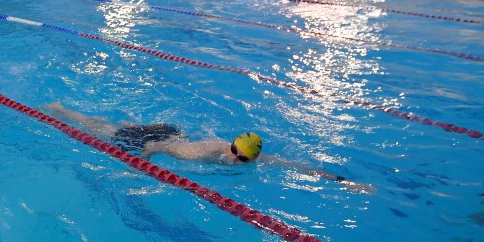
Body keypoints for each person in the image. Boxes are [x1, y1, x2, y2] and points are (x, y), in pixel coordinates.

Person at [44, 102, 370, 192]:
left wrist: (345, 182)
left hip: (174, 134)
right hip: (160, 139)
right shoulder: (202, 153)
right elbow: (157, 146)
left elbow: (296, 167)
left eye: (242, 159)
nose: (234, 159)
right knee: (101, 129)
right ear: (229, 145)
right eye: (233, 151)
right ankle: (62, 110)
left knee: (112, 126)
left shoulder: (257, 158)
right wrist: (138, 165)